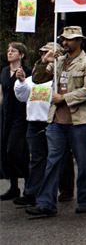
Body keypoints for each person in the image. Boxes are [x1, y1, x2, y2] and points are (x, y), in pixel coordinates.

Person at [27, 26, 86, 217]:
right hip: (56, 122)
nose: (65, 42)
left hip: (81, 122)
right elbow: (38, 78)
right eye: (63, 39)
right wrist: (44, 62)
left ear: (79, 41)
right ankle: (46, 203)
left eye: (69, 39)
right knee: (53, 162)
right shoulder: (59, 62)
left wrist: (65, 98)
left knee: (84, 162)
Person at [12, 42, 74, 208]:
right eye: (42, 53)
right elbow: (22, 95)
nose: (44, 56)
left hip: (55, 121)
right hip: (35, 122)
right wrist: (21, 82)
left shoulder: (60, 76)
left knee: (60, 157)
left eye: (47, 53)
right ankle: (32, 192)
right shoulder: (36, 76)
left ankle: (66, 188)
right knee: (38, 159)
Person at [0, 42, 31, 201]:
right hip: (5, 115)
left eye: (13, 51)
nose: (9, 53)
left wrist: (23, 80)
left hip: (20, 116)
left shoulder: (26, 71)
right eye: (8, 50)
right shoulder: (5, 71)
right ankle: (13, 187)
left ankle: (28, 182)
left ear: (21, 55)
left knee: (15, 149)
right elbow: (2, 92)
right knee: (6, 150)